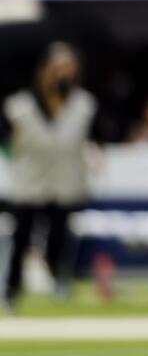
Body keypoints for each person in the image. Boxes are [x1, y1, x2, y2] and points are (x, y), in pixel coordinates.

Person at [2, 43, 95, 309]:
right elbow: (8, 141)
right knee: (22, 237)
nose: (62, 76)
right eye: (57, 69)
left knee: (58, 237)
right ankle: (12, 288)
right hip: (29, 181)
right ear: (43, 70)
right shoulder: (19, 105)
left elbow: (92, 138)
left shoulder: (83, 104)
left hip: (64, 182)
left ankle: (59, 281)